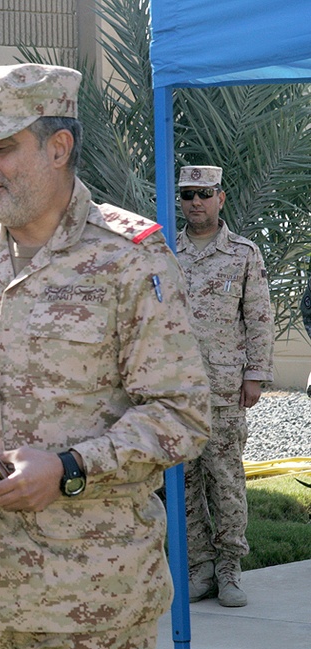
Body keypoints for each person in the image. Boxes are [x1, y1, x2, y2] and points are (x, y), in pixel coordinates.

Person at [0, 63, 210, 649]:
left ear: (59, 147)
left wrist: (71, 467)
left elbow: (183, 413)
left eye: (1, 147)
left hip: (93, 602)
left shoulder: (129, 258)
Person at [176, 165, 274, 607]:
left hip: (224, 389)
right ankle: (200, 567)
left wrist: (255, 374)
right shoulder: (164, 251)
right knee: (185, 483)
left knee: (227, 480)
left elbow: (258, 318)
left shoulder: (243, 253)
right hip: (174, 391)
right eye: (188, 194)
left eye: (204, 193)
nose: (196, 202)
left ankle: (230, 567)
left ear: (221, 197)